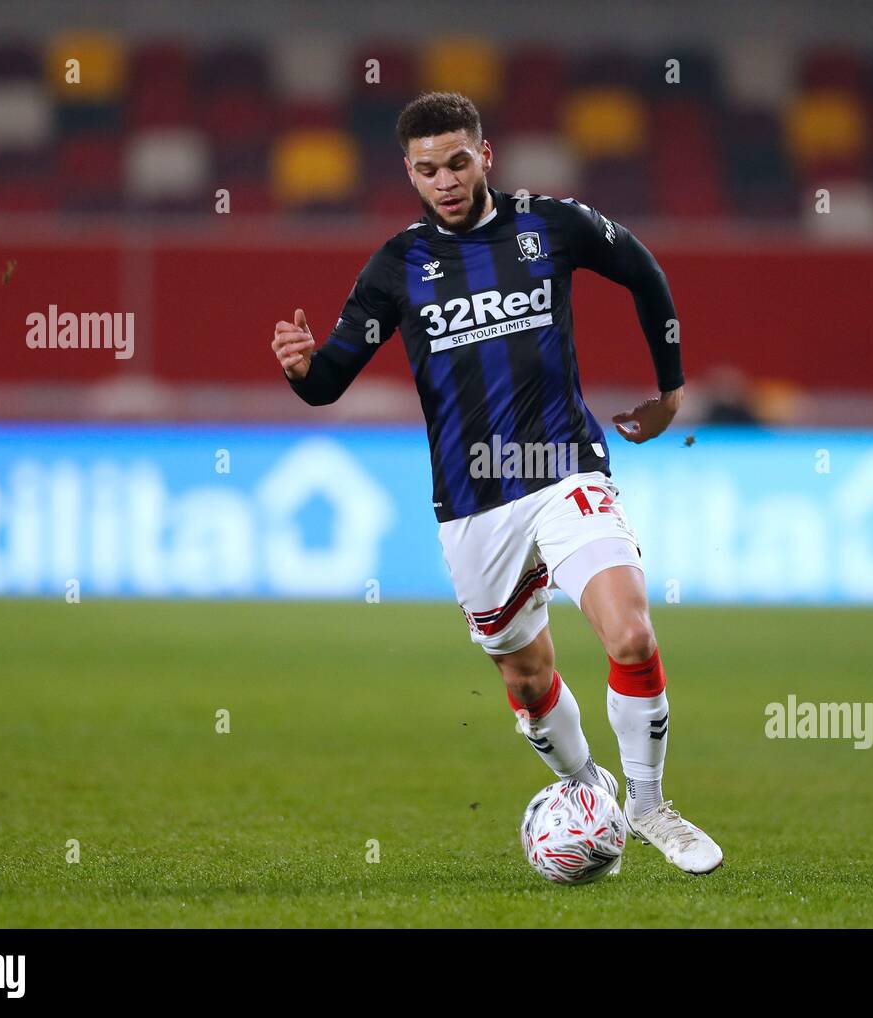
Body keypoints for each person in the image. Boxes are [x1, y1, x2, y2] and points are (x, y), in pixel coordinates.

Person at [271, 91, 721, 874]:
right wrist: (303, 369)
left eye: (456, 161)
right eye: (426, 169)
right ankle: (592, 797)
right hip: (471, 505)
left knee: (631, 632)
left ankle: (650, 805)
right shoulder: (396, 268)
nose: (444, 180)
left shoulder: (552, 224)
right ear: (407, 174)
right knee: (525, 672)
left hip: (562, 470)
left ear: (485, 156)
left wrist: (671, 386)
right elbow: (329, 381)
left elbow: (641, 268)